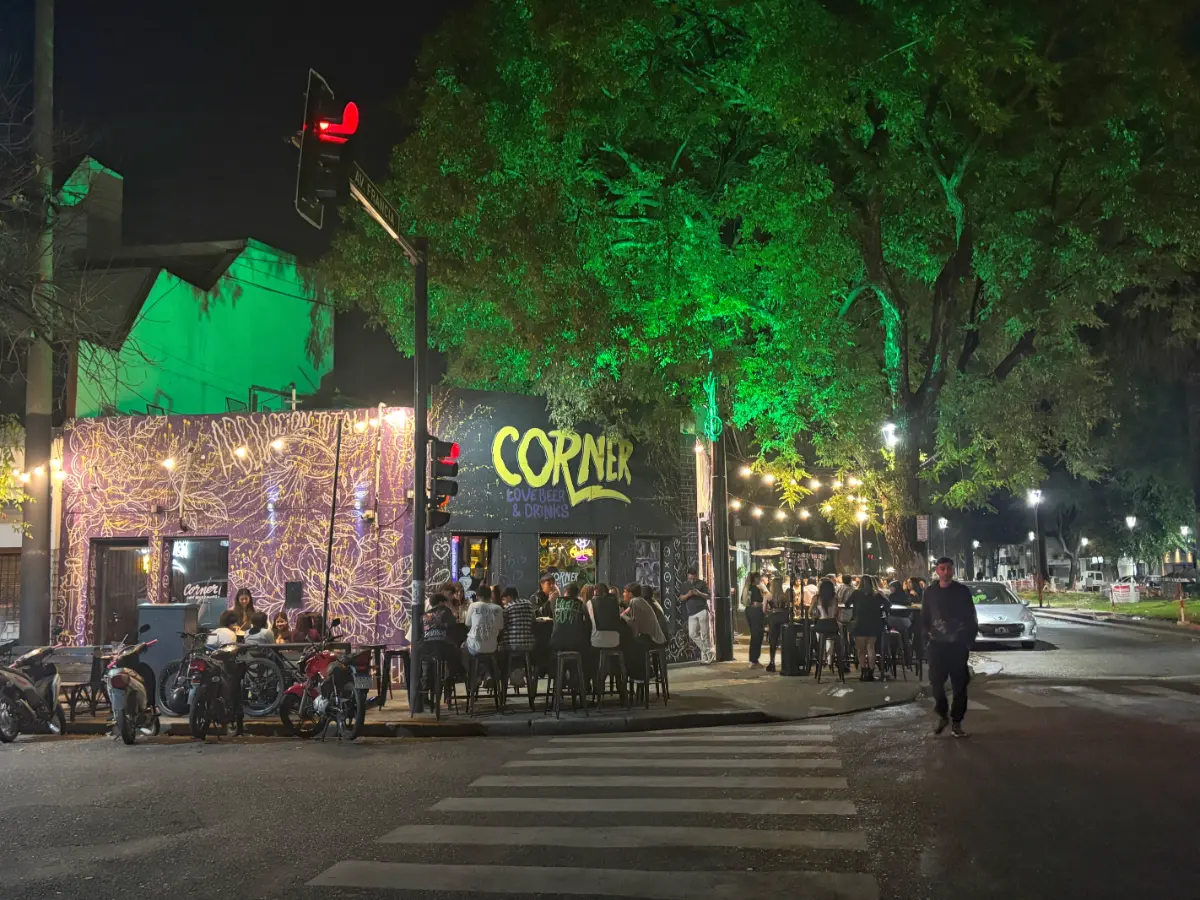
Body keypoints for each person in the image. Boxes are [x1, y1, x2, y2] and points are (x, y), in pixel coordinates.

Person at [922, 557, 978, 737]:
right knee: (936, 683)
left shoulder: (962, 591)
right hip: (937, 645)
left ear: (953, 571)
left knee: (959, 685)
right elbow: (924, 615)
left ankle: (956, 722)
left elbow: (971, 616)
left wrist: (969, 640)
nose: (946, 572)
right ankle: (942, 714)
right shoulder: (930, 592)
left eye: (949, 569)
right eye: (942, 568)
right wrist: (925, 636)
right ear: (937, 571)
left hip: (958, 645)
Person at [849, 574, 888, 681]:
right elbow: (888, 605)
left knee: (860, 649)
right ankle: (870, 673)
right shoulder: (877, 594)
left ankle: (863, 672)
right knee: (871, 648)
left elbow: (847, 604)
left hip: (859, 623)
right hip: (874, 623)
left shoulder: (856, 593)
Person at [498, 585, 535, 689]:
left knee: (501, 650)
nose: (503, 602)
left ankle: (509, 675)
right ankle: (518, 672)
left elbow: (502, 626)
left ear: (509, 597)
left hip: (513, 645)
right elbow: (533, 621)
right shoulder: (528, 604)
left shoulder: (508, 608)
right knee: (520, 652)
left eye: (504, 599)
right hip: (529, 644)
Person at [680, 568, 713, 664]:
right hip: (691, 613)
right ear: (687, 576)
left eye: (694, 579)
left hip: (702, 610)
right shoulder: (684, 585)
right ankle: (708, 652)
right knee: (692, 634)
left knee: (705, 634)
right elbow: (681, 598)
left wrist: (699, 593)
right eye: (690, 578)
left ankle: (706, 657)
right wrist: (688, 595)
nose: (692, 580)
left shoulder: (702, 583)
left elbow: (708, 596)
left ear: (696, 576)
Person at [465, 586, 505, 656]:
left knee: (463, 648)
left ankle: (472, 666)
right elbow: (500, 627)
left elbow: (467, 623)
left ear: (478, 596)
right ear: (490, 595)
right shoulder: (498, 608)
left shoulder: (473, 605)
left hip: (475, 648)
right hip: (492, 648)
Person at [587, 582, 625, 650]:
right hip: (615, 642)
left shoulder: (590, 602)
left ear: (595, 592)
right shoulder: (615, 602)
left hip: (597, 642)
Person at [764, 572, 789, 673]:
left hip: (774, 617)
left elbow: (764, 610)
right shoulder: (785, 595)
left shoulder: (768, 595)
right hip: (784, 616)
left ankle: (772, 663)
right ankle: (785, 663)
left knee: (773, 641)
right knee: (785, 641)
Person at [744, 572, 765, 669]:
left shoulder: (749, 588)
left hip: (749, 612)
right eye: (759, 578)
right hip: (756, 613)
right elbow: (757, 603)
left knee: (756, 635)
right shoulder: (756, 589)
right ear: (755, 579)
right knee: (757, 636)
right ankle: (753, 660)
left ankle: (754, 660)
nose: (760, 579)